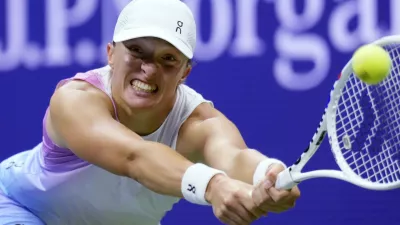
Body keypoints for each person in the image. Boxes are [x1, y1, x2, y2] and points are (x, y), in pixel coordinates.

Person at [0, 0, 300, 224]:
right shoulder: (75, 100)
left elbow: (236, 157)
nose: (148, 69)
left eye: (168, 59)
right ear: (110, 54)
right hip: (19, 208)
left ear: (184, 73)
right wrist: (214, 185)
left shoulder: (199, 123)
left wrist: (268, 175)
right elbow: (134, 157)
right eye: (136, 51)